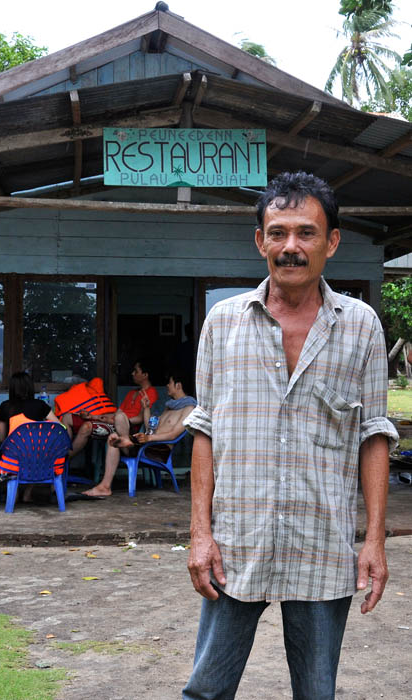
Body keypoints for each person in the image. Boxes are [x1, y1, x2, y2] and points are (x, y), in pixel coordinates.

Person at [182, 171, 398, 700]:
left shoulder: (362, 325)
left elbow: (373, 435)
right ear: (260, 241)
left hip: (322, 543)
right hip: (237, 543)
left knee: (316, 693)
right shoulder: (223, 322)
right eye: (278, 232)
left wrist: (373, 539)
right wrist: (200, 533)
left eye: (306, 233)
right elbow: (204, 430)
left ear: (332, 242)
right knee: (206, 690)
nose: (291, 247)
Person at [83, 370, 196, 497]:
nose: (167, 386)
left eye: (169, 383)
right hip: (147, 444)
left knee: (118, 439)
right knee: (112, 439)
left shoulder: (189, 408)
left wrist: (149, 438)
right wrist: (146, 408)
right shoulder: (170, 406)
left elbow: (173, 435)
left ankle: (126, 441)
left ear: (178, 385)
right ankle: (105, 486)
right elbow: (150, 428)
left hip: (158, 449)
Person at [0, 371, 60, 501]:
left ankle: (13, 493)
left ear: (12, 388)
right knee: (35, 449)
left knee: (10, 451)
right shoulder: (41, 405)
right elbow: (59, 427)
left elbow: (2, 438)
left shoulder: (5, 406)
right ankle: (28, 492)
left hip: (13, 458)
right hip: (39, 457)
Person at [56, 377, 117, 458]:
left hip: (112, 423)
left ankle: (64, 458)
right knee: (67, 417)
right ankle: (64, 449)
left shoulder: (139, 399)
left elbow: (120, 418)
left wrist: (94, 417)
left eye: (136, 371)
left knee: (86, 426)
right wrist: (84, 414)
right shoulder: (131, 394)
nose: (132, 373)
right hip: (96, 417)